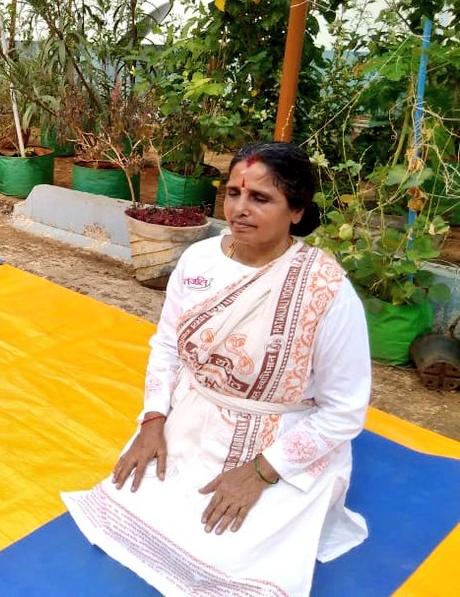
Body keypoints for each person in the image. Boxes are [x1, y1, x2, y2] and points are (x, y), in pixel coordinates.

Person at [63, 142, 371, 597]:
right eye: (232, 194)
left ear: (298, 210)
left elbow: (343, 412)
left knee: (231, 558)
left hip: (279, 440)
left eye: (260, 198)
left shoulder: (327, 291)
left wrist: (263, 472)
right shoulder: (198, 259)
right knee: (125, 504)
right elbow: (167, 345)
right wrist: (152, 420)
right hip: (192, 419)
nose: (239, 210)